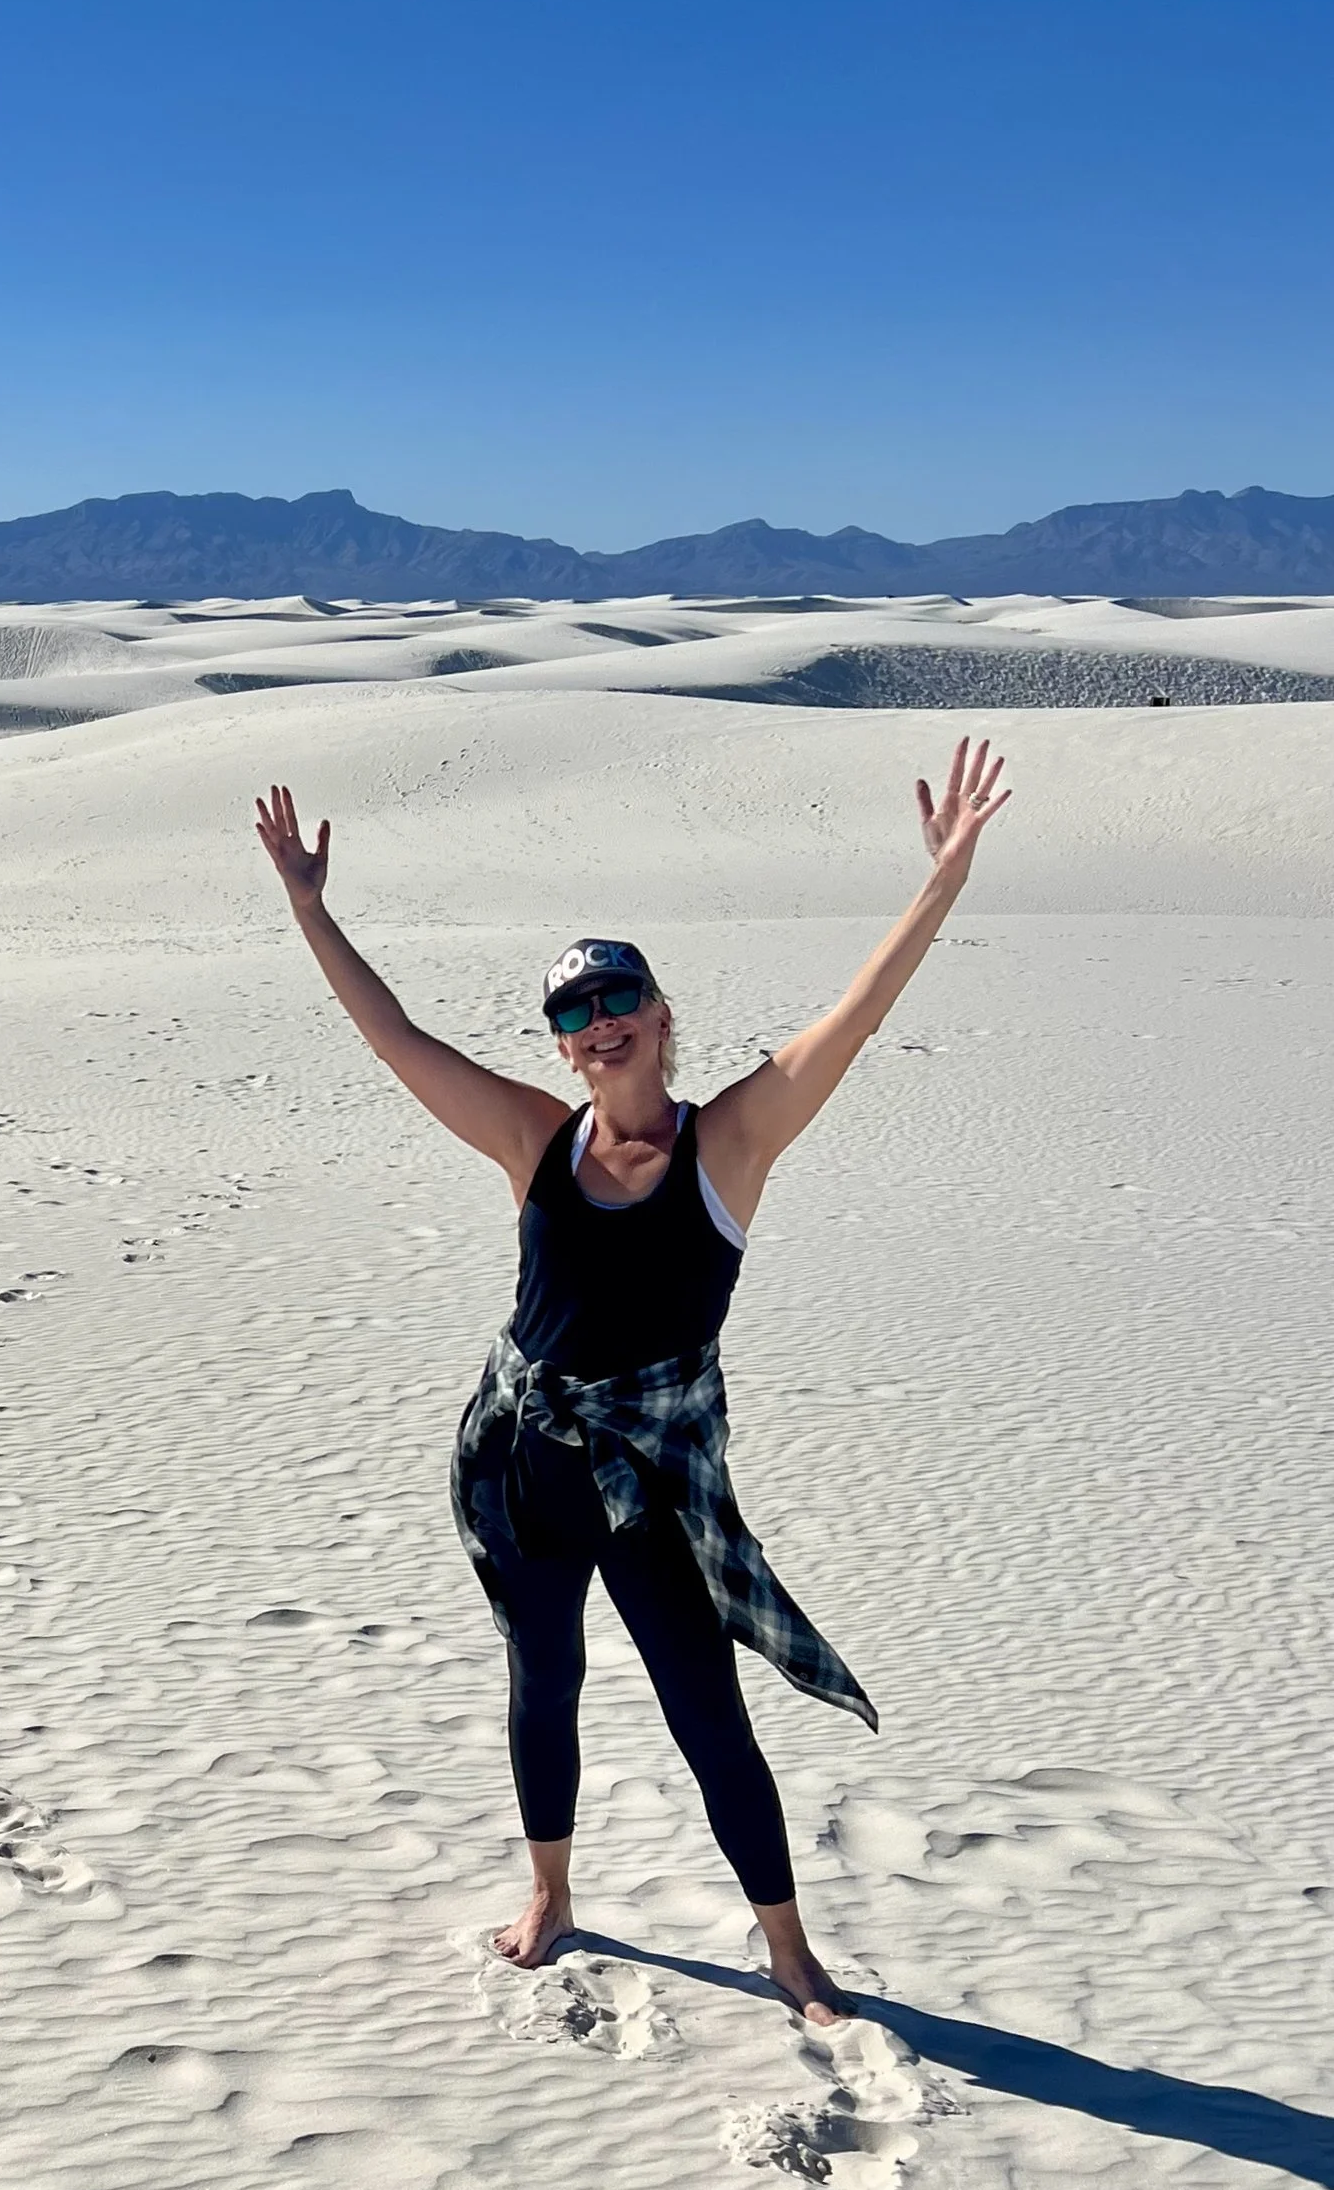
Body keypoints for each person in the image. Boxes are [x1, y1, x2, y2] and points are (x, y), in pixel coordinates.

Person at [253, 738, 1012, 2024]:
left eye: (617, 999)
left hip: (651, 1476)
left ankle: (788, 1951)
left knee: (705, 1710)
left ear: (661, 1017)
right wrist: (310, 910)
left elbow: (857, 1017)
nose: (597, 1022)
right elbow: (397, 1042)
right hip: (522, 1461)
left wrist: (941, 879)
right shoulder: (530, 1141)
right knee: (539, 1683)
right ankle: (547, 1892)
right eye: (571, 1012)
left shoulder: (734, 1140)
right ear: (561, 1046)